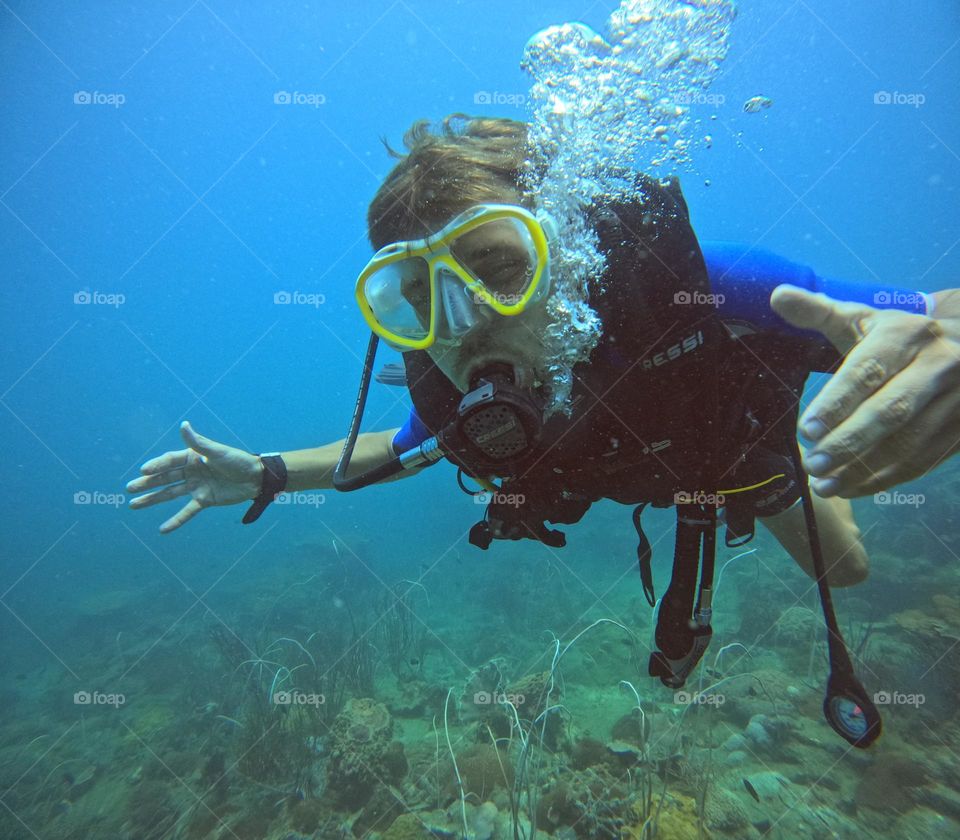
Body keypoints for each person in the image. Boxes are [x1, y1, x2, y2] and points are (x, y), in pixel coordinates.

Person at [127, 115, 959, 746]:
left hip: (729, 456)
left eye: (498, 267)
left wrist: (948, 342)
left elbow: (928, 319)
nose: (464, 324)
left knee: (846, 568)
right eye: (417, 298)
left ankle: (791, 461)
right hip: (642, 467)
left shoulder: (699, 289)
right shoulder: (453, 387)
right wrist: (267, 473)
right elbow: (400, 448)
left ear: (568, 249)